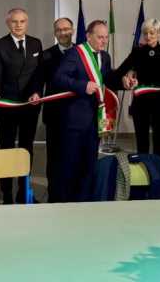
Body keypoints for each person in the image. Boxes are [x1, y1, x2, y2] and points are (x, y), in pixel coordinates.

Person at [53, 20, 132, 202]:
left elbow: (108, 80)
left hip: (95, 119)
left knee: (89, 164)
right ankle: (67, 204)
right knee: (71, 165)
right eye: (100, 37)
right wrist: (82, 86)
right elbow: (59, 78)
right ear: (89, 36)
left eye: (105, 37)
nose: (104, 41)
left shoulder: (105, 56)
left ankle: (86, 201)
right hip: (75, 121)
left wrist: (123, 83)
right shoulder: (75, 53)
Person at [0, 8, 43, 204]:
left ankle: (23, 191)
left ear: (27, 23)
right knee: (7, 149)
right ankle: (7, 195)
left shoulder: (36, 43)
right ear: (8, 23)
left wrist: (37, 92)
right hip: (7, 107)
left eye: (22, 21)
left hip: (30, 105)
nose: (18, 25)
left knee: (27, 149)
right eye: (14, 21)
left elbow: (38, 74)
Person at [116, 18, 160, 159]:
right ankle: (143, 170)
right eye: (145, 33)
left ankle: (159, 171)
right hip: (140, 104)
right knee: (141, 143)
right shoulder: (137, 52)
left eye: (152, 33)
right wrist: (126, 78)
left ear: (159, 33)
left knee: (159, 143)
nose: (148, 36)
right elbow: (120, 71)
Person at [37, 17, 75, 202]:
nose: (63, 33)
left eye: (66, 29)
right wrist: (35, 93)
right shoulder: (46, 55)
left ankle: (73, 195)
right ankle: (54, 196)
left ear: (72, 30)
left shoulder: (82, 52)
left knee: (74, 156)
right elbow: (38, 81)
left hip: (77, 115)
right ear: (55, 33)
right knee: (54, 158)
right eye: (59, 30)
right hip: (54, 116)